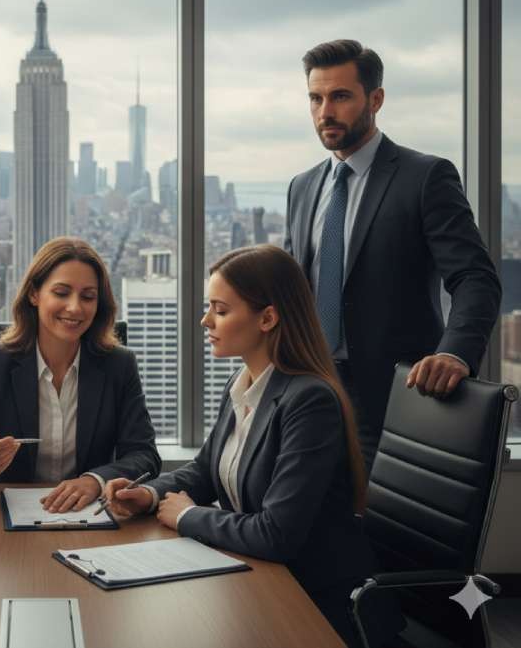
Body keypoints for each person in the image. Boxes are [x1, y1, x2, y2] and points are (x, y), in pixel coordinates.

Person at [105, 245, 402, 648]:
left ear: (268, 317)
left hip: (314, 603)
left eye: (220, 310)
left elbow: (276, 533)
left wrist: (188, 516)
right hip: (259, 577)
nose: (205, 320)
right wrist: (148, 493)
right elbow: (207, 470)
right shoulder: (243, 383)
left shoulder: (309, 401)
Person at [285, 39, 501, 471]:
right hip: (310, 391)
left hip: (397, 396)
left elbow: (475, 278)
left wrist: (454, 353)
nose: (325, 111)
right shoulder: (303, 186)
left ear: (375, 99)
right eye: (316, 98)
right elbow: (291, 291)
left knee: (384, 529)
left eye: (341, 96)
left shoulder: (425, 177)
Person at [0, 237, 160, 513]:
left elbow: (145, 456)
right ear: (34, 294)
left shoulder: (119, 364)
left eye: (88, 296)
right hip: (7, 522)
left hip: (88, 518)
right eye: (61, 292)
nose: (75, 307)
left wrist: (94, 481)